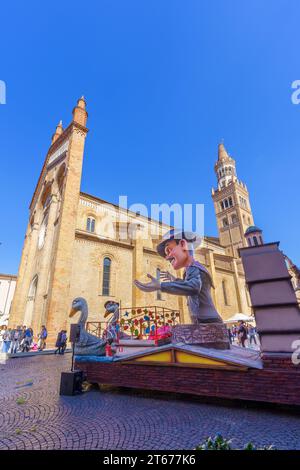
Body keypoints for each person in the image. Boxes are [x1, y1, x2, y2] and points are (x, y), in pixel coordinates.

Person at [134, 229, 223, 324]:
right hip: (205, 320)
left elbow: (193, 287)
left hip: (208, 322)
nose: (167, 257)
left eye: (169, 250)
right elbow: (192, 286)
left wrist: (160, 286)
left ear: (183, 245)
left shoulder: (194, 268)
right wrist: (175, 279)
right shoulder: (191, 269)